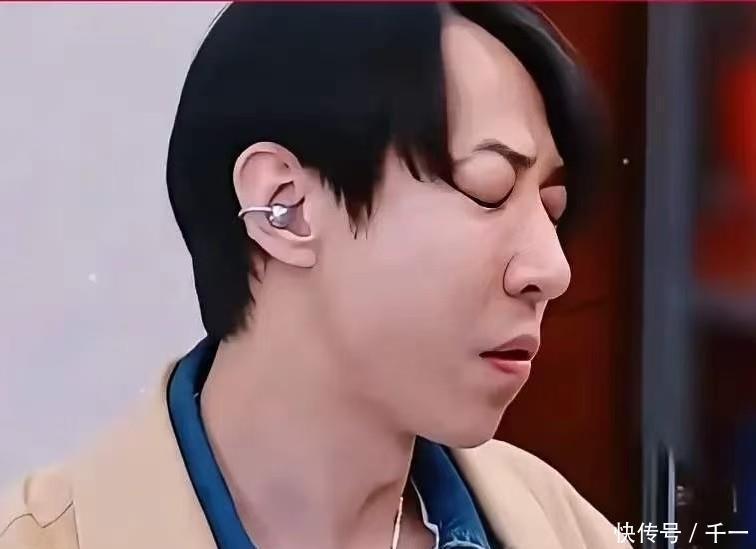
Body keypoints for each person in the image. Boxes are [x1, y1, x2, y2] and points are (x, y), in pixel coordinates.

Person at [0, 3, 630, 548]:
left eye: (551, 211)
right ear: (286, 206)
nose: (552, 270)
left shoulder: (562, 527)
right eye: (488, 188)